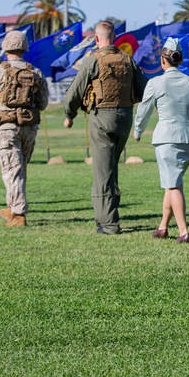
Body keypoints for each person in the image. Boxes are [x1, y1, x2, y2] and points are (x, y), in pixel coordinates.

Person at [62, 20, 147, 235]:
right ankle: (107, 215)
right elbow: (144, 89)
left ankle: (108, 224)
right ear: (115, 37)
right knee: (110, 169)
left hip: (102, 118)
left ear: (97, 39)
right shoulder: (127, 59)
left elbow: (75, 90)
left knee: (102, 172)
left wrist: (69, 114)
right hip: (125, 118)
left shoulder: (93, 60)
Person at [132, 37, 189, 243]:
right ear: (180, 60)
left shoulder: (155, 83)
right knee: (173, 182)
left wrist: (138, 129)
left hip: (166, 139)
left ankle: (183, 231)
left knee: (174, 185)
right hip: (188, 139)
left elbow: (144, 109)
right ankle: (162, 227)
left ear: (163, 61)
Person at [0, 29, 49, 228]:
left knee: (11, 170)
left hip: (7, 126)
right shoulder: (35, 72)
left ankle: (18, 214)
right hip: (29, 126)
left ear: (6, 48)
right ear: (24, 48)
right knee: (19, 169)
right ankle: (12, 207)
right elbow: (43, 103)